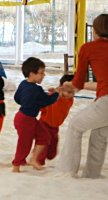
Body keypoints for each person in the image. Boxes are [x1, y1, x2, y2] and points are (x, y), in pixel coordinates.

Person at [56, 14, 108, 178]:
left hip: (106, 101)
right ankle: (92, 175)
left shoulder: (88, 48)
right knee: (99, 136)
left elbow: (78, 82)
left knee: (75, 126)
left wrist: (67, 87)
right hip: (103, 99)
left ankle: (67, 171)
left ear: (95, 30)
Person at [12, 57, 59, 172]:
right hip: (25, 120)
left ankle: (33, 159)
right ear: (32, 74)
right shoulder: (36, 90)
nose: (43, 75)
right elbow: (47, 101)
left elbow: (17, 98)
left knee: (44, 136)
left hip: (23, 117)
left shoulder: (23, 84)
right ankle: (16, 165)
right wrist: (56, 93)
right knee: (24, 144)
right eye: (41, 73)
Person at [36, 74, 75, 166]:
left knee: (52, 153)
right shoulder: (53, 96)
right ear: (61, 88)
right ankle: (38, 162)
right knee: (43, 144)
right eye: (68, 91)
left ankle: (42, 157)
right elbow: (42, 105)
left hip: (55, 127)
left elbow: (64, 102)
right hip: (44, 123)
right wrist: (53, 93)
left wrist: (58, 92)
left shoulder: (69, 100)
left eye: (72, 92)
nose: (70, 94)